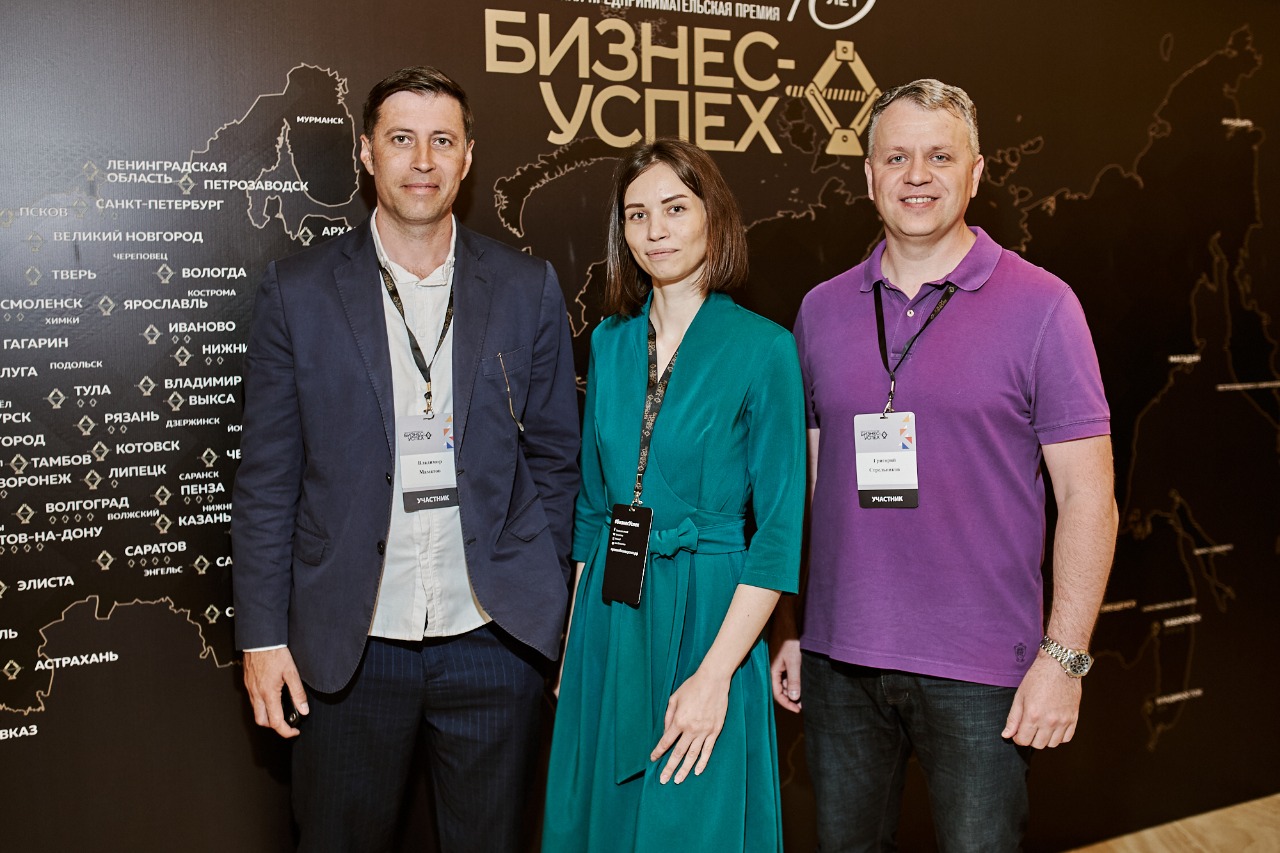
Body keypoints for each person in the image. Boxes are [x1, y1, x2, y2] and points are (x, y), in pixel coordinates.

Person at [230, 66, 579, 853]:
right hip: (348, 646)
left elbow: (557, 455)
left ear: (468, 158)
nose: (423, 159)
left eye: (442, 140)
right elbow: (266, 482)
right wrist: (261, 636)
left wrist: (545, 596)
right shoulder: (298, 292)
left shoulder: (526, 287)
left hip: (495, 639)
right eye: (401, 139)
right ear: (367, 153)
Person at [771, 79, 1119, 851]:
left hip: (983, 671)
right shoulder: (821, 310)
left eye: (939, 156)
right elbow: (805, 489)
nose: (917, 176)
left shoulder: (1044, 306)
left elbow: (1088, 497)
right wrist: (788, 626)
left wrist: (1064, 659)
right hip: (838, 660)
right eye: (896, 157)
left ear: (976, 172)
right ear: (868, 175)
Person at [542, 138, 805, 851]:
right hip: (610, 616)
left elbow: (778, 536)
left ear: (713, 217)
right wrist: (574, 649)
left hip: (712, 617)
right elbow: (593, 509)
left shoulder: (765, 348)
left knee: (693, 823)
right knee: (602, 823)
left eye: (675, 208)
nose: (655, 230)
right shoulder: (609, 342)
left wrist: (716, 675)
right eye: (637, 214)